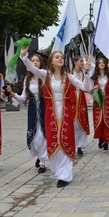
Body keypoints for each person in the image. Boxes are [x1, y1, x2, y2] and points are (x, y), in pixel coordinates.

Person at [20, 47, 91, 187]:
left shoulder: (68, 76)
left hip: (65, 112)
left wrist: (87, 74)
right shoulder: (45, 75)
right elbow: (31, 68)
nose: (60, 59)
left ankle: (65, 175)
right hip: (51, 112)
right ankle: (59, 171)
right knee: (53, 140)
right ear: (51, 61)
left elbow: (85, 87)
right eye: (57, 57)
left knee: (66, 139)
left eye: (62, 57)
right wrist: (24, 56)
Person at [6, 53, 47, 174]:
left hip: (44, 106)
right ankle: (39, 155)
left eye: (37, 61)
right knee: (34, 135)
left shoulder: (44, 75)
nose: (35, 62)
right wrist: (12, 93)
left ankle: (43, 162)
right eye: (32, 60)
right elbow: (24, 97)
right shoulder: (27, 79)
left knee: (43, 134)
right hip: (33, 108)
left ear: (40, 63)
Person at [90, 58, 109, 151]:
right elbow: (89, 90)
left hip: (108, 101)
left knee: (107, 120)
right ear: (97, 65)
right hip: (98, 100)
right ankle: (101, 138)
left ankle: (107, 141)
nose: (101, 64)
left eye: (103, 62)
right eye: (99, 63)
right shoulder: (94, 77)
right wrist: (93, 88)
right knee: (99, 120)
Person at [72, 55, 93, 156]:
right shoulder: (69, 73)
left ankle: (79, 146)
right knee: (73, 123)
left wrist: (87, 72)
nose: (82, 63)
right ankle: (72, 144)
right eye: (81, 61)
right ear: (75, 62)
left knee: (80, 123)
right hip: (71, 99)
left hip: (81, 99)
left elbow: (86, 88)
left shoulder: (84, 75)